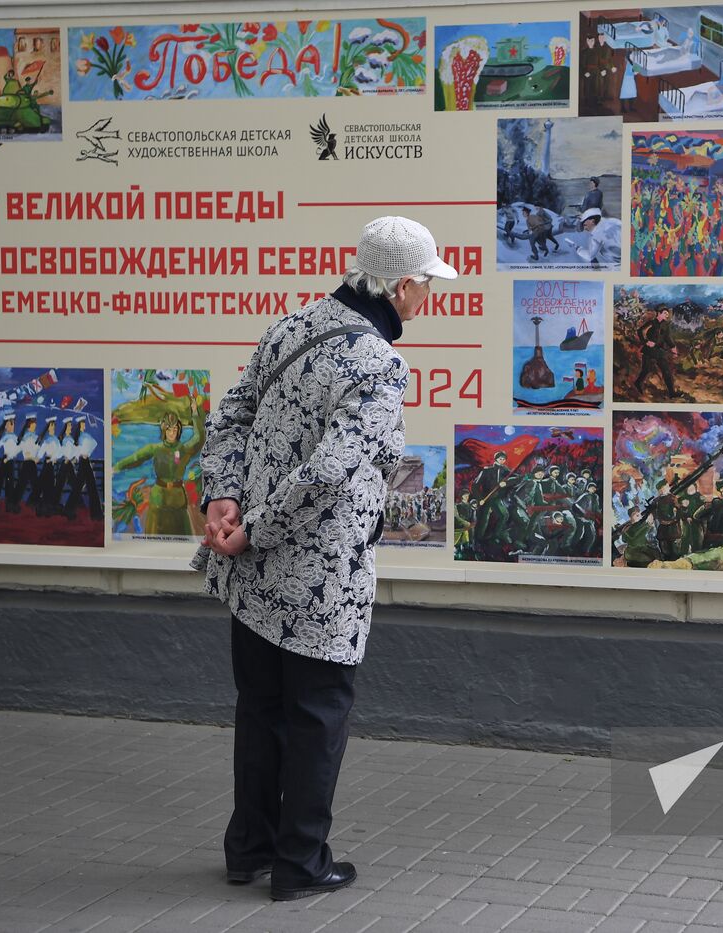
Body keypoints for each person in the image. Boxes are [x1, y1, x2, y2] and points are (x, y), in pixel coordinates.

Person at [194, 216, 456, 901]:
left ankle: (248, 846)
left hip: (251, 576)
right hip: (319, 580)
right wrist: (256, 527)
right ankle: (300, 862)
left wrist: (222, 499)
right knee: (317, 715)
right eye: (427, 283)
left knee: (261, 706)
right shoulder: (379, 363)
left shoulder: (292, 324)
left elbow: (229, 418)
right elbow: (329, 473)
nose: (427, 295)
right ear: (403, 286)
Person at [114, 410, 205, 535]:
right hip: (159, 499)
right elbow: (136, 458)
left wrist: (195, 412)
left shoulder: (183, 449)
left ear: (178, 430)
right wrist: (117, 467)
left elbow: (199, 438)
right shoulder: (156, 449)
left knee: (182, 537)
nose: (172, 433)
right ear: (164, 430)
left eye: (174, 429)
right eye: (169, 430)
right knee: (155, 536)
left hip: (178, 499)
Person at [633, 306, 678, 399]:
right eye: (665, 313)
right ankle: (637, 383)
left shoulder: (666, 325)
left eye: (668, 314)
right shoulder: (651, 323)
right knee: (646, 370)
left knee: (667, 371)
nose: (667, 315)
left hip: (659, 351)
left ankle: (672, 393)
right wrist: (646, 341)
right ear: (659, 313)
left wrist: (673, 347)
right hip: (649, 351)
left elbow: (668, 338)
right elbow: (640, 331)